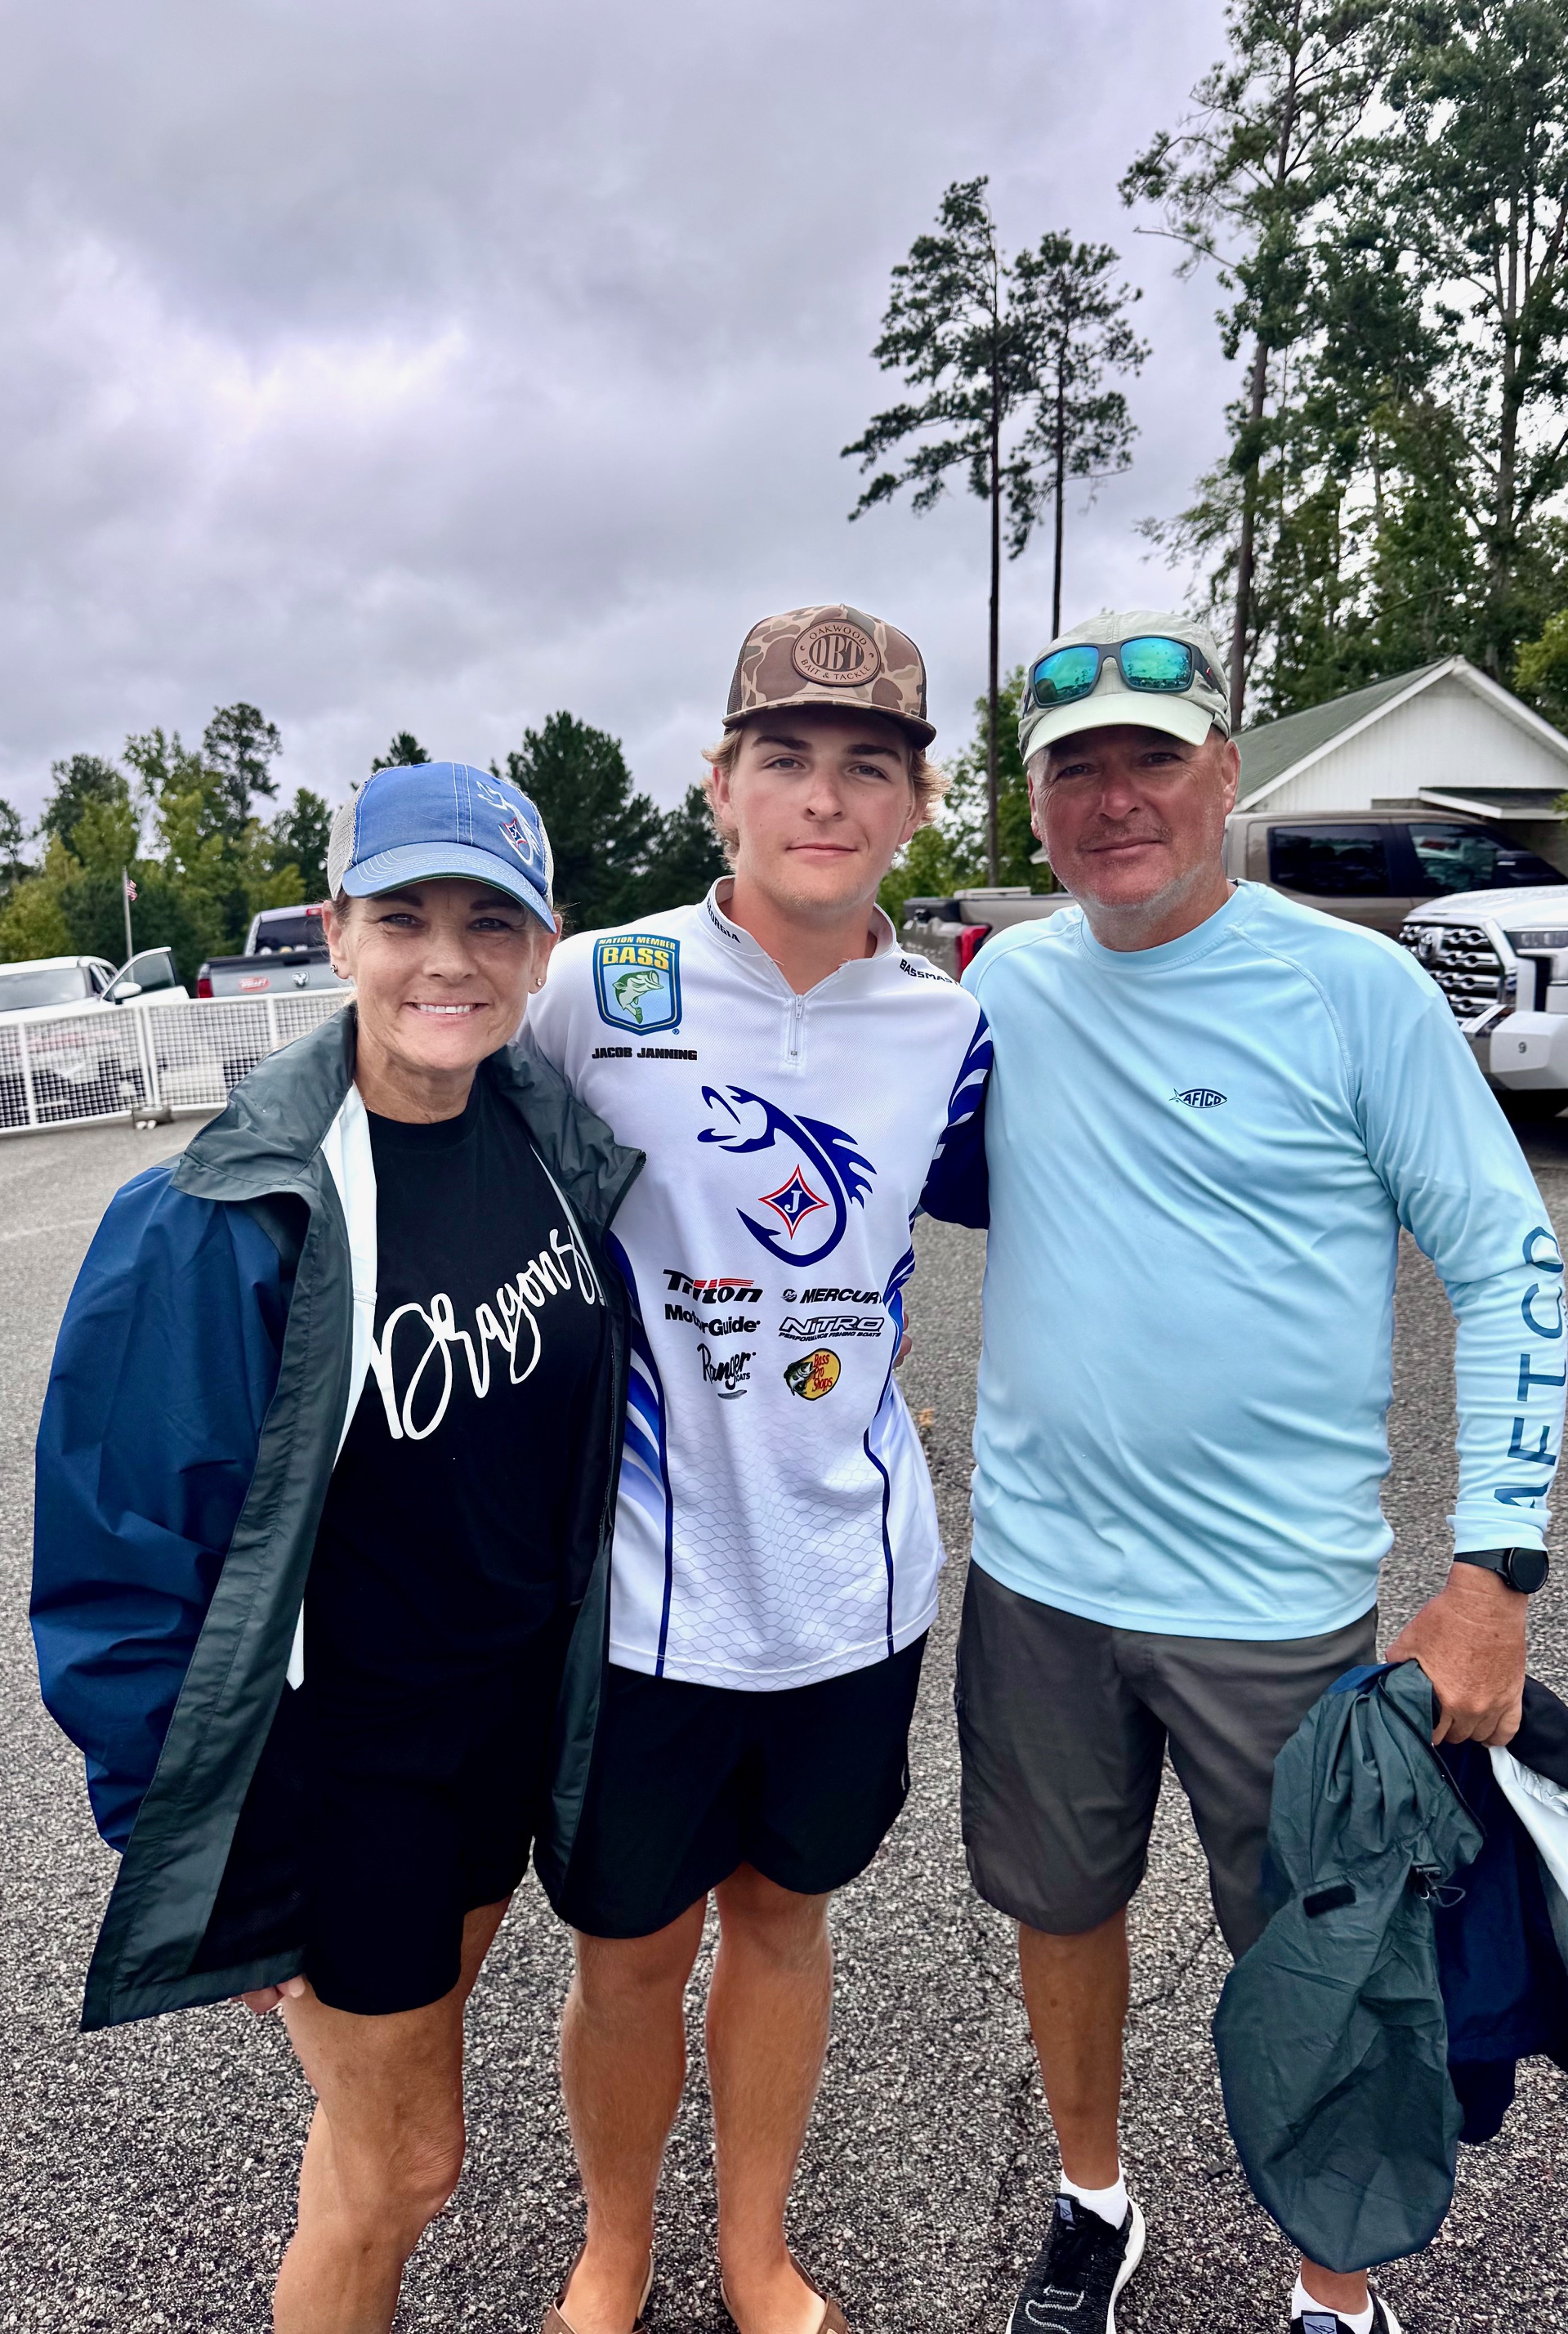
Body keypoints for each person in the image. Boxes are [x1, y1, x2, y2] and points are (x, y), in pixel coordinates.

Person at [946, 611, 1567, 2334]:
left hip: (1275, 1606)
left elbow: (1511, 1259)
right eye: (1080, 767)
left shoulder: (1349, 988)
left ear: (1227, 775)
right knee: (1061, 1913)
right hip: (1041, 1580)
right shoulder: (1005, 984)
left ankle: (1333, 2285)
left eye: (1156, 756)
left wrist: (1489, 1573)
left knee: (1326, 1963)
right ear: (1039, 800)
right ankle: (1092, 2201)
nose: (1119, 796)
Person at [31, 762, 640, 2334]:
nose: (449, 957)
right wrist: (201, 1840)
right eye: (404, 916)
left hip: (500, 1734)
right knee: (405, 2169)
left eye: (489, 922)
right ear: (335, 931)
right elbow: (118, 1551)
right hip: (343, 1769)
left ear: (542, 942)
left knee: (371, 2153)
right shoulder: (219, 1208)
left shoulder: (542, 1136)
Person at [519, 605, 990, 2334]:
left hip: (851, 1589)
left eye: (869, 766)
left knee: (785, 1924)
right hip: (641, 1596)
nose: (824, 796)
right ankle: (616, 2246)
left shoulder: (949, 1028)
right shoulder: (592, 987)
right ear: (718, 783)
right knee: (631, 1951)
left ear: (915, 808)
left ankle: (755, 2254)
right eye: (783, 758)